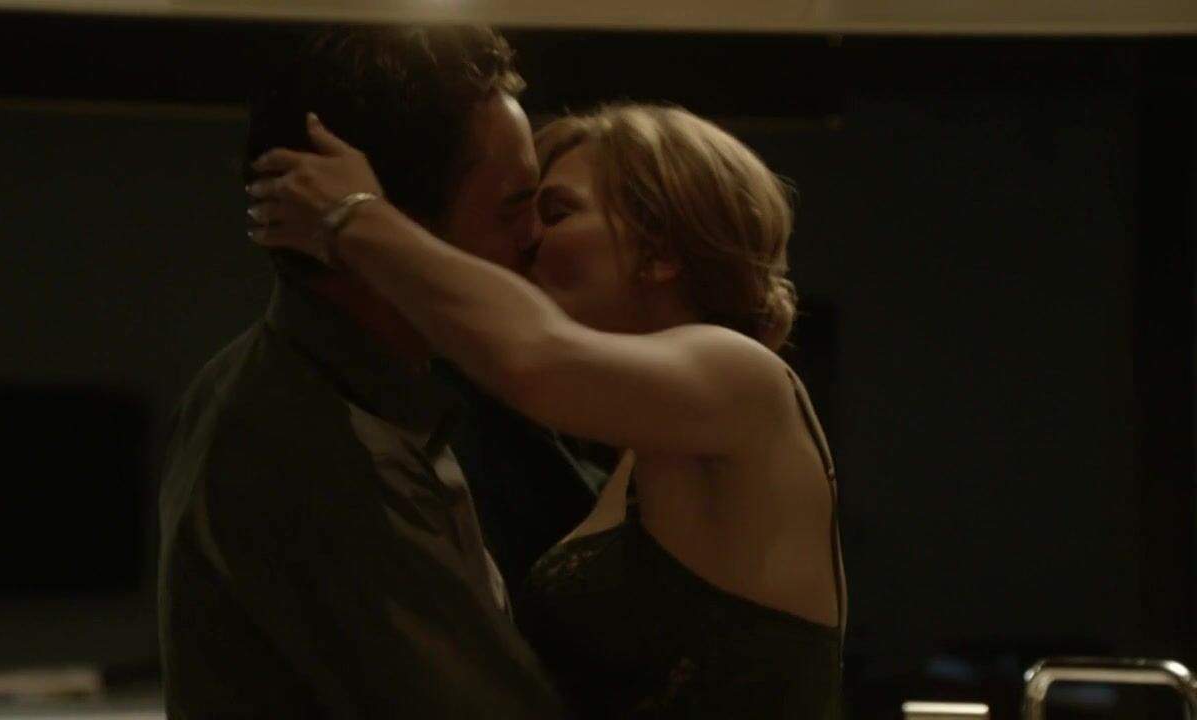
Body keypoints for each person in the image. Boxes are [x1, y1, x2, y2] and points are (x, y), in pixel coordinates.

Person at [247, 103, 848, 717]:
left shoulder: (740, 375)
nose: (530, 238)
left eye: (557, 213)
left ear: (661, 250)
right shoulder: (645, 449)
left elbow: (533, 356)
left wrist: (353, 215)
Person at [157, 26, 576, 718]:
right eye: (513, 208)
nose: (537, 235)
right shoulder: (323, 447)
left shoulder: (286, 385)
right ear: (393, 233)